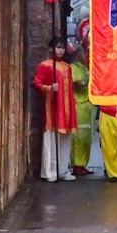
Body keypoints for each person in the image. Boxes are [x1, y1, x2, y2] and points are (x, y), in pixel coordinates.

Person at [32, 39, 78, 183]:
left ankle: (63, 170)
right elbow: (37, 83)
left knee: (65, 140)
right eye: (58, 47)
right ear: (51, 49)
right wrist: (49, 88)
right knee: (50, 140)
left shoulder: (66, 67)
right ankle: (49, 171)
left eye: (62, 48)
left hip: (67, 108)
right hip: (51, 107)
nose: (61, 50)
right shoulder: (45, 65)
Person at [69, 46, 97, 177]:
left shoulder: (84, 67)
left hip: (87, 106)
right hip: (78, 105)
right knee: (78, 138)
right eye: (82, 52)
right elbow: (75, 83)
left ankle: (83, 164)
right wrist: (86, 83)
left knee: (86, 138)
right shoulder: (73, 67)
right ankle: (77, 164)